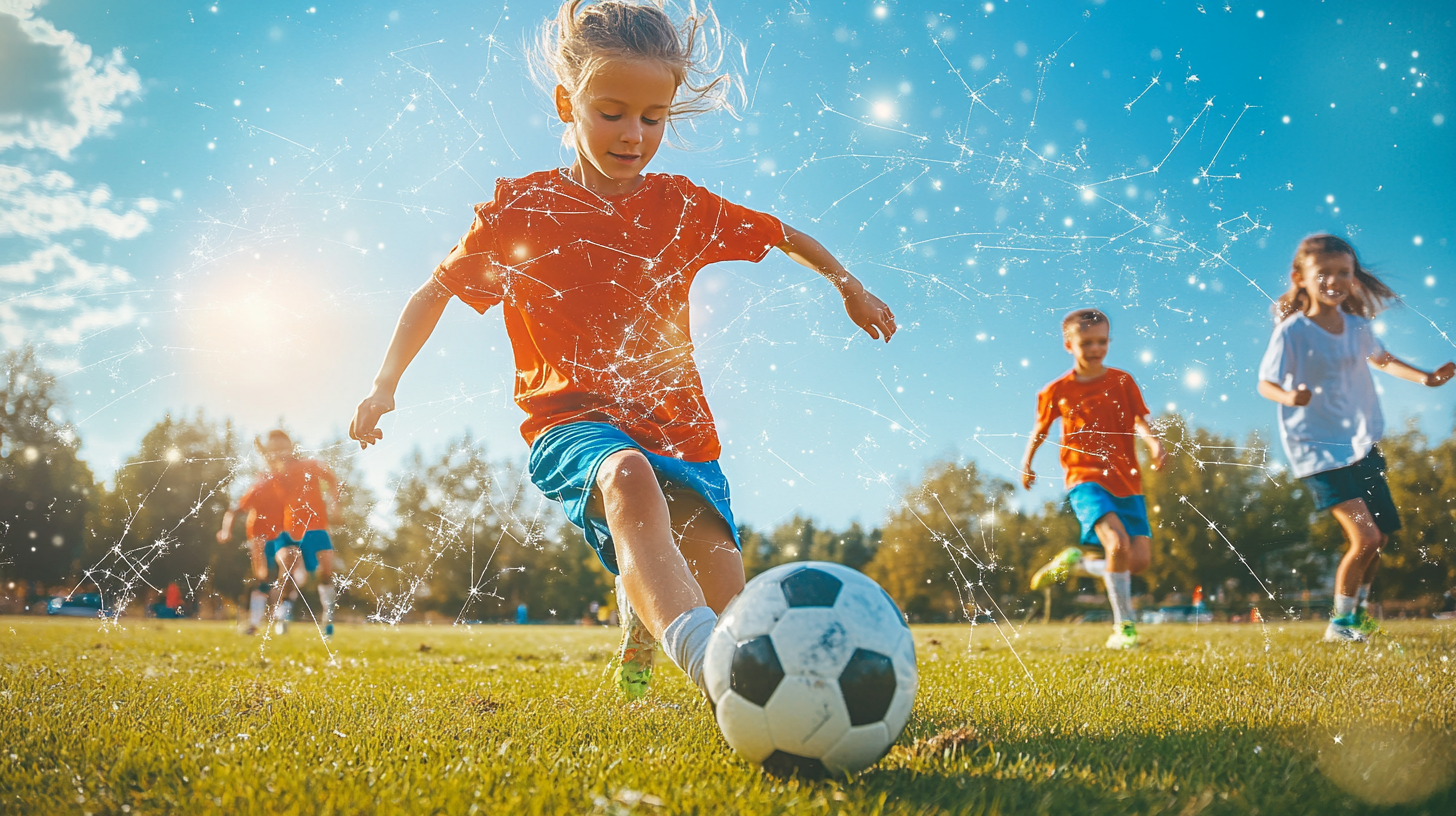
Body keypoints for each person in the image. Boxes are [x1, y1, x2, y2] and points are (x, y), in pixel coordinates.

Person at [348, 0, 896, 700]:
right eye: (611, 111)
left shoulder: (684, 207)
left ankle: (650, 627)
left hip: (681, 428)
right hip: (571, 422)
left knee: (728, 594)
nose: (632, 134)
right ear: (565, 101)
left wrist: (850, 287)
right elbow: (433, 292)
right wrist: (384, 384)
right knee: (630, 479)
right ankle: (704, 661)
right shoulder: (519, 211)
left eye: (652, 117)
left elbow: (786, 234)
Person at [1257, 234, 1453, 643]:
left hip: (1360, 445)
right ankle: (1339, 624)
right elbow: (1265, 384)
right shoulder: (1293, 332)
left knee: (1380, 537)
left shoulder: (1356, 327)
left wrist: (1427, 378)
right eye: (1323, 273)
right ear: (1301, 277)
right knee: (1365, 537)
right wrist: (1290, 395)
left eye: (1343, 273)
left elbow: (1382, 360)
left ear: (1353, 278)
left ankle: (1358, 614)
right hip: (1316, 450)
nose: (1334, 281)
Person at [1021, 308, 1167, 649]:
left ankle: (1079, 564)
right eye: (1086, 342)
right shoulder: (1056, 390)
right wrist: (1027, 463)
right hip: (1084, 477)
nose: (1095, 349)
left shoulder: (1122, 380)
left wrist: (1154, 443)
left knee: (1139, 561)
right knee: (1117, 545)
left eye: (1102, 341)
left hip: (1127, 481)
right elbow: (1039, 430)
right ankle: (1124, 627)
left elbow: (1140, 421)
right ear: (1068, 344)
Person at [217, 461, 287, 635]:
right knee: (262, 578)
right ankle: (255, 623)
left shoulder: (284, 490)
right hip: (259, 539)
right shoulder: (257, 490)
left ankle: (280, 620)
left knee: (283, 579)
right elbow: (233, 511)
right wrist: (226, 530)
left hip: (280, 538)